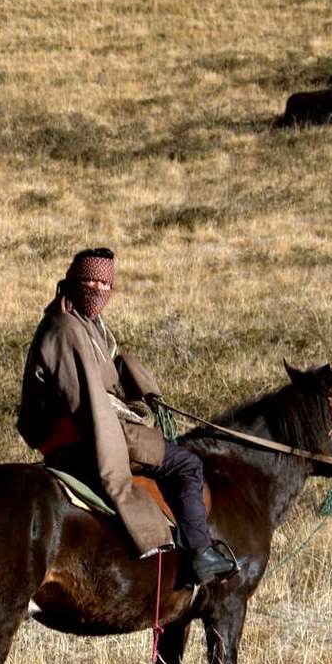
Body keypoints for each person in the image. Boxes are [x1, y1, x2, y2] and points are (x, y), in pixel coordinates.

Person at [16, 247, 237, 585]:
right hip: (82, 433)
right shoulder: (66, 329)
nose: (97, 289)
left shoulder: (86, 323)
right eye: (90, 280)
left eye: (105, 283)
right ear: (73, 280)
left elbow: (102, 375)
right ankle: (198, 552)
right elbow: (85, 401)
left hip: (86, 424)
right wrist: (125, 429)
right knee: (187, 464)